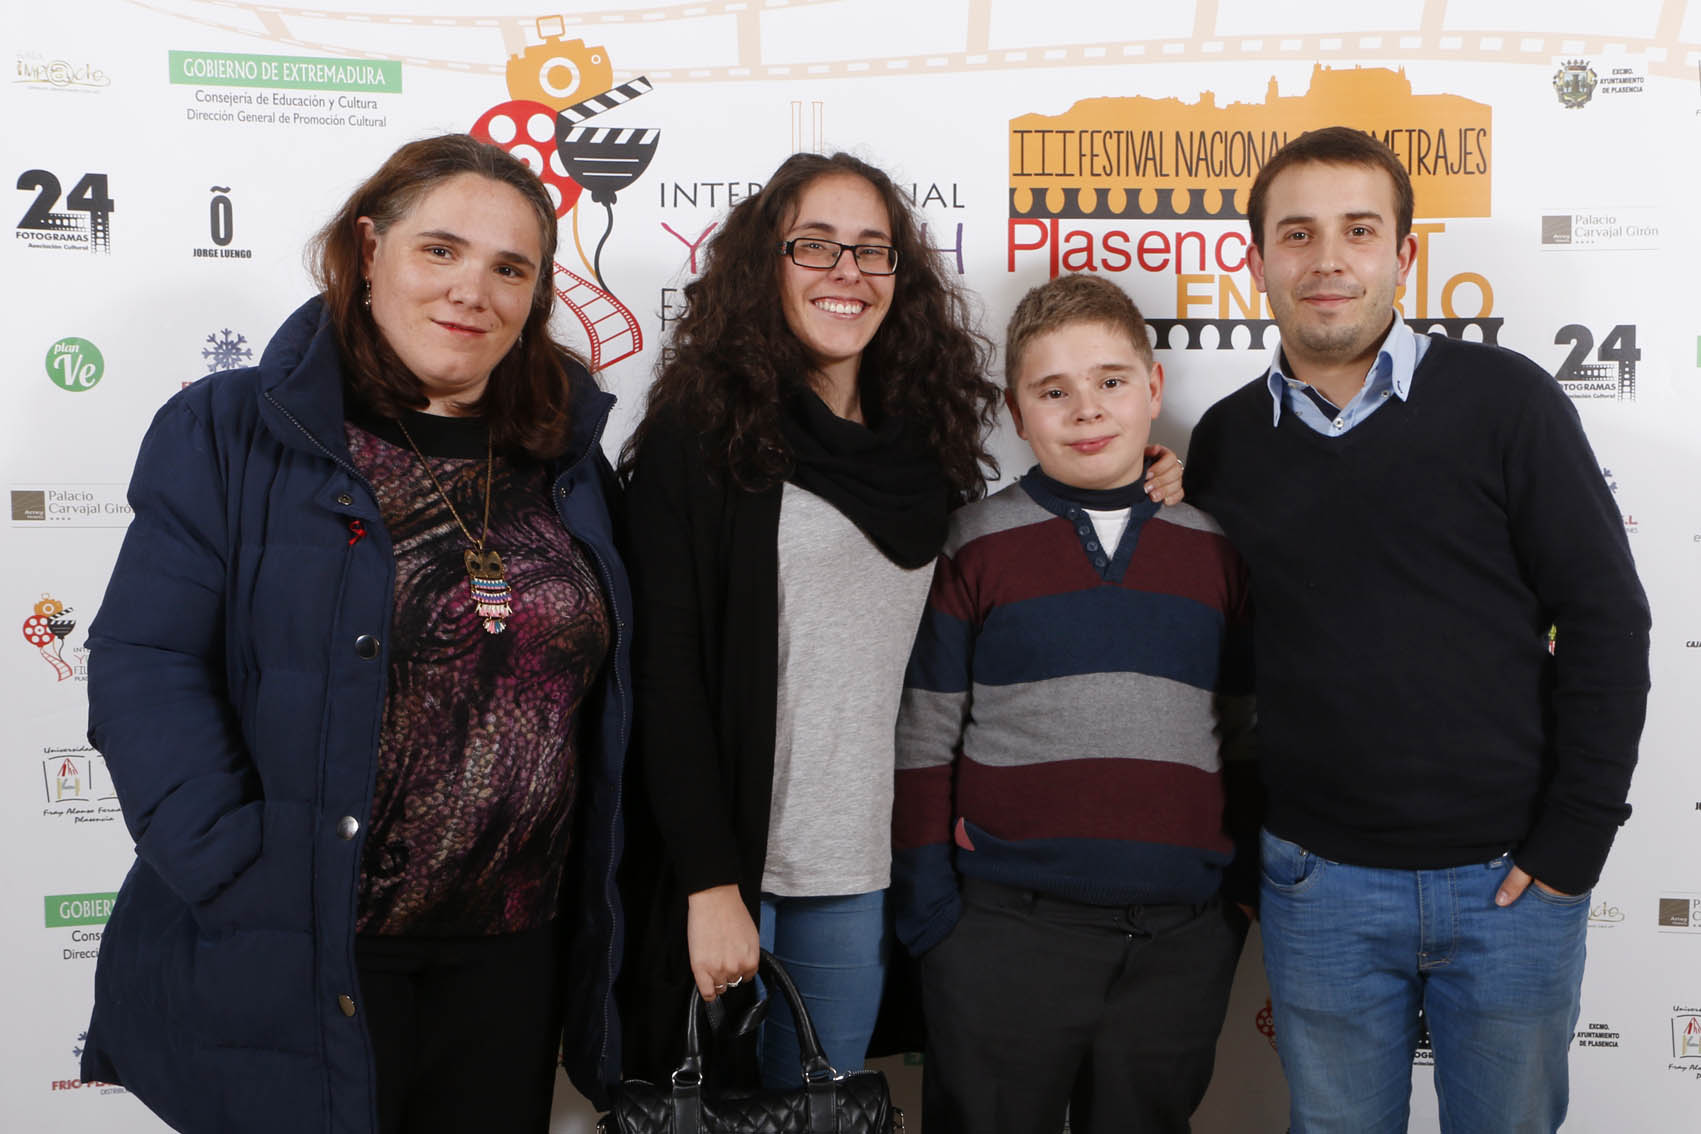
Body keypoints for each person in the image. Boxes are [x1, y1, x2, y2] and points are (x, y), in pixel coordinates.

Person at [80, 134, 632, 1134]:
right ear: (370, 250)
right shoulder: (231, 430)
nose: (472, 290)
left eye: (510, 269)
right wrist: (232, 868)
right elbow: (145, 662)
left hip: (510, 957)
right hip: (310, 941)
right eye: (441, 250)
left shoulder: (565, 456)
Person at [617, 150, 1190, 1087]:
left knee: (825, 1112)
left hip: (857, 867)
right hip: (731, 868)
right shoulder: (706, 434)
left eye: (870, 249)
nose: (846, 271)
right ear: (765, 263)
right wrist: (707, 882)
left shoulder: (921, 446)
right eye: (814, 245)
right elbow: (664, 676)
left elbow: (1002, 569)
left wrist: (1144, 480)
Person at [1185, 126, 1651, 1133]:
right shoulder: (1225, 441)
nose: (1327, 259)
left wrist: (1574, 841)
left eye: (1358, 230)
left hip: (1511, 886)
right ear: (1256, 259)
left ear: (1403, 253)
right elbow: (1227, 670)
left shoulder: (1507, 401)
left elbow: (1606, 618)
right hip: (1318, 887)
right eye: (1297, 233)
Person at [892, 273, 1257, 1134]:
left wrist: (1234, 900)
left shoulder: (1214, 549)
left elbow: (1245, 732)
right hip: (1002, 930)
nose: (1086, 409)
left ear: (1153, 388)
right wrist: (933, 915)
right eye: (1052, 391)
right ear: (1016, 414)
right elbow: (923, 737)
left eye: (1110, 381)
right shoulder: (973, 544)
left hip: (1179, 937)